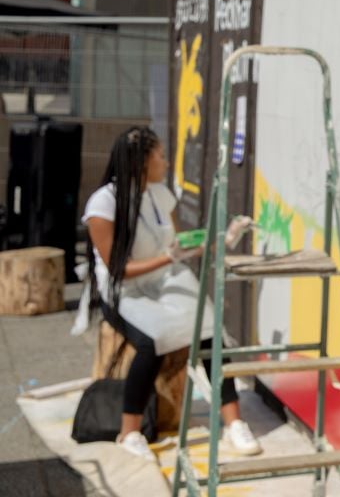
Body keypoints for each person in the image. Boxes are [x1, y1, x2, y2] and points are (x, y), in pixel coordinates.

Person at [78, 126, 262, 463]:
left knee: (209, 330)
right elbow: (117, 269)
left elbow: (180, 245)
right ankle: (129, 430)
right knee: (152, 341)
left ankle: (234, 423)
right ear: (141, 162)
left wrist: (225, 237)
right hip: (122, 291)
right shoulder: (103, 203)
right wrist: (169, 257)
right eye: (160, 155)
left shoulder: (161, 195)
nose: (165, 161)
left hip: (165, 280)